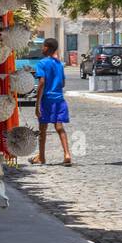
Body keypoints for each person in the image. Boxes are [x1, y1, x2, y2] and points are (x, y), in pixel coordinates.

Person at [31, 37, 72, 167]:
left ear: (47, 48)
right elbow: (63, 83)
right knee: (59, 127)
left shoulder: (41, 64)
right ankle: (67, 154)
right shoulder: (59, 64)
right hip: (59, 100)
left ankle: (42, 157)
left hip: (46, 100)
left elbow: (42, 82)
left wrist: (37, 104)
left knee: (42, 129)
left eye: (43, 46)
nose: (42, 49)